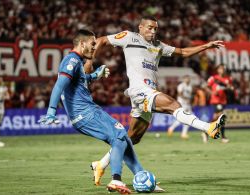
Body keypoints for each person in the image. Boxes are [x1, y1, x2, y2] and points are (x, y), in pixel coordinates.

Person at [89, 16, 227, 188]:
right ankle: (208, 128)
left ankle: (100, 164)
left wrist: (206, 46)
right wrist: (90, 61)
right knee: (173, 105)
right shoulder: (128, 37)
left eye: (155, 28)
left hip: (149, 92)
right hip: (139, 90)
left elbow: (183, 52)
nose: (153, 31)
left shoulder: (158, 45)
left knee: (132, 138)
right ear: (140, 27)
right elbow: (101, 40)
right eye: (149, 28)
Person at [38, 29, 146, 194]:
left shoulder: (77, 62)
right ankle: (116, 180)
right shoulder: (71, 60)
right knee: (118, 135)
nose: (95, 47)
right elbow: (59, 85)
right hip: (86, 113)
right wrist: (51, 111)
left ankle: (141, 175)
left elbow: (81, 80)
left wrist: (96, 74)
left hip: (87, 112)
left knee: (123, 137)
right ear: (82, 44)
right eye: (92, 43)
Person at [203, 64, 234, 143]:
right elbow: (205, 86)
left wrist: (230, 88)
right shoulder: (214, 78)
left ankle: (205, 131)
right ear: (218, 70)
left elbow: (230, 88)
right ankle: (223, 137)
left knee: (217, 117)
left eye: (223, 69)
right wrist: (212, 92)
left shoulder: (227, 79)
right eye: (220, 69)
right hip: (215, 101)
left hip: (223, 101)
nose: (222, 70)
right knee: (220, 116)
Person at [167, 75, 193, 139]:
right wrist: (186, 99)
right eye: (186, 78)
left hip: (187, 104)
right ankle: (181, 133)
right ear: (184, 79)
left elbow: (190, 95)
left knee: (187, 118)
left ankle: (174, 130)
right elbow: (179, 94)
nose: (188, 80)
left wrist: (189, 101)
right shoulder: (181, 85)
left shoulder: (190, 86)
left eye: (188, 78)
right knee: (186, 118)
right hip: (182, 103)